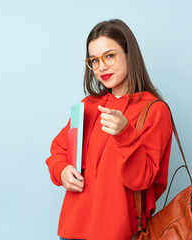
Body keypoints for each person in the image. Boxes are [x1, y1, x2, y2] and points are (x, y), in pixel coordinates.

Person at [46, 19, 173, 240]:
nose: (101, 67)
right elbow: (58, 151)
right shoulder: (87, 106)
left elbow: (142, 180)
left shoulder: (154, 110)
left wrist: (125, 134)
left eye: (110, 56)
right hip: (72, 229)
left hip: (118, 233)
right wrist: (62, 171)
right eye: (94, 60)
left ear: (129, 54)